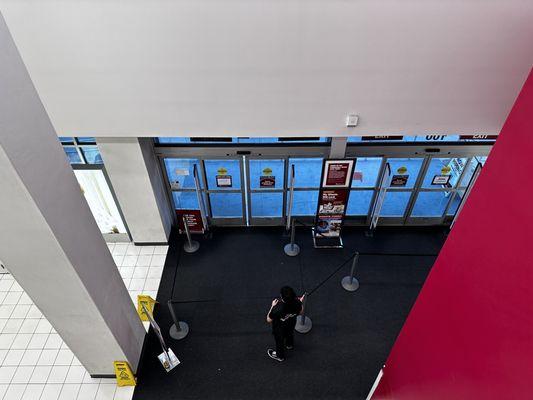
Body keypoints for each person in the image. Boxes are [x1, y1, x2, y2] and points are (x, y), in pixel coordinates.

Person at [266, 286, 304, 362]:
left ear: (282, 297)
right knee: (290, 334)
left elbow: (268, 320)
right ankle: (289, 345)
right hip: (291, 324)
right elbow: (301, 312)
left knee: (279, 342)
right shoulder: (297, 303)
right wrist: (300, 302)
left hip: (280, 330)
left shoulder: (277, 308)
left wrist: (272, 306)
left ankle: (280, 356)